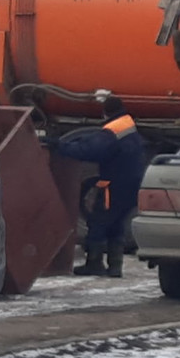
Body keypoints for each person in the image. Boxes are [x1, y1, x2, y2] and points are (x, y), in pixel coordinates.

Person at [43, 97, 146, 278]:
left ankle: (94, 263)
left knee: (98, 222)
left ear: (105, 112)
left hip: (113, 186)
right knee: (117, 224)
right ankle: (115, 266)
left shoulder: (113, 131)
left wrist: (60, 146)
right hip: (131, 185)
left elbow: (89, 151)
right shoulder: (127, 126)